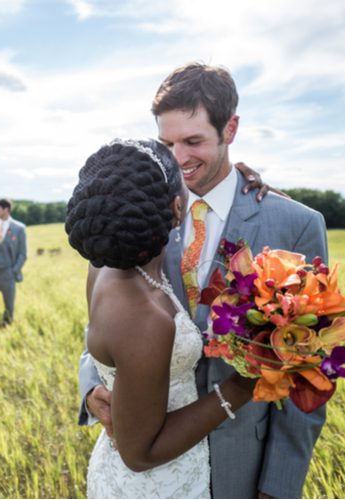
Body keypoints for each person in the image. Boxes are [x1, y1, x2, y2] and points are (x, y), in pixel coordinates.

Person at [78, 63, 329, 499]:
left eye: (193, 141)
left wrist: (279, 487)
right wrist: (91, 389)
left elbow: (308, 370)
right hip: (144, 464)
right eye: (167, 142)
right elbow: (100, 323)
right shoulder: (134, 211)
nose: (177, 158)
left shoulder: (295, 225)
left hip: (242, 463)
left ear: (230, 129)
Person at [68, 139, 257, 498]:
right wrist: (238, 388)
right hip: (156, 483)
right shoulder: (146, 317)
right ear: (175, 208)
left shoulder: (102, 267)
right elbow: (140, 454)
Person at [0, 199, 27, 325]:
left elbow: (23, 254)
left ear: (6, 210)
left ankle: (7, 324)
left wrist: (13, 271)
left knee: (9, 303)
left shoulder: (19, 228)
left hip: (7, 272)